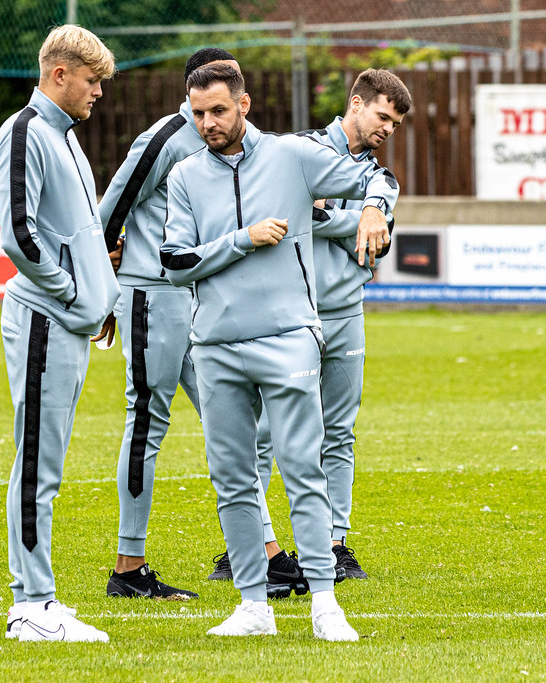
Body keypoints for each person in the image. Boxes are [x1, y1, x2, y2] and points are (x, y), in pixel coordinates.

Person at [161, 63, 396, 641]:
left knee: (302, 468)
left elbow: (377, 178)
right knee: (234, 479)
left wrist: (373, 209)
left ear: (243, 104)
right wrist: (244, 239)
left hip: (289, 336)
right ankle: (253, 606)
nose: (207, 123)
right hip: (215, 346)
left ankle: (324, 604)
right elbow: (174, 262)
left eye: (218, 110)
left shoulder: (291, 155)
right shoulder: (186, 174)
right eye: (197, 114)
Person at [208, 69, 411, 584]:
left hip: (346, 316)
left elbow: (377, 241)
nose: (387, 128)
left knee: (338, 435)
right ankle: (251, 543)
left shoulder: (381, 181)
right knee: (260, 437)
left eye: (396, 122)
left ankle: (335, 544)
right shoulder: (295, 151)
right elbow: (283, 219)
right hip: (290, 317)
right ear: (357, 103)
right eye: (382, 115)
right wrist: (350, 221)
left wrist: (338, 217)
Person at [0, 25, 118, 643]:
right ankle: (31, 605)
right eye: (92, 82)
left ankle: (40, 599)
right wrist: (71, 293)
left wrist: (98, 297)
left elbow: (75, 234)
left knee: (49, 460)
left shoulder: (64, 137)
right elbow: (19, 235)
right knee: (38, 460)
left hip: (68, 321)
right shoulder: (24, 133)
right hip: (44, 319)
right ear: (58, 73)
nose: (98, 94)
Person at [95, 48, 240, 603]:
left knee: (235, 420)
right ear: (190, 94)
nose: (211, 118)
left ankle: (256, 553)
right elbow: (109, 214)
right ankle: (128, 567)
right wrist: (110, 294)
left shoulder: (229, 145)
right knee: (147, 423)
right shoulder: (162, 139)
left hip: (199, 302)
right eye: (202, 105)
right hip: (153, 298)